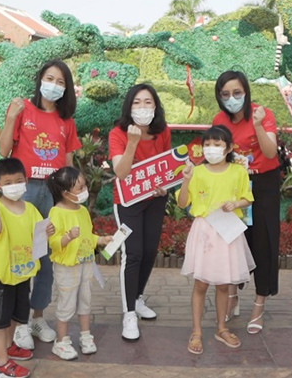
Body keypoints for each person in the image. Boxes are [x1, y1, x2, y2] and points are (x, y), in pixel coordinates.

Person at [0, 59, 82, 349]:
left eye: (60, 82)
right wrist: (11, 118)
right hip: (26, 191)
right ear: (40, 80)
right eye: (49, 78)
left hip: (52, 192)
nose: (54, 85)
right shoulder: (23, 109)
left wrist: (71, 198)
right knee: (22, 254)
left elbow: (69, 164)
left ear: (66, 88)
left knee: (45, 256)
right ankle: (19, 322)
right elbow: (3, 150)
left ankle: (37, 317)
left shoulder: (66, 121)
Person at [212, 71, 280, 335]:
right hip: (233, 184)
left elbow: (270, 152)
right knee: (233, 240)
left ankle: (259, 303)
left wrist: (259, 126)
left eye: (237, 93)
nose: (232, 98)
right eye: (226, 94)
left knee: (263, 242)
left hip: (263, 184)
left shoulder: (263, 114)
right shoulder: (219, 120)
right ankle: (232, 296)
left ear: (246, 92)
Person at [178, 125, 255, 355]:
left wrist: (236, 203)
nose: (211, 148)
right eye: (208, 144)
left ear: (228, 148)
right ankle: (196, 331)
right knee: (201, 283)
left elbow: (248, 198)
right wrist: (185, 180)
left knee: (223, 284)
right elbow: (183, 203)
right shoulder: (197, 172)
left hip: (228, 231)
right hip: (205, 231)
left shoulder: (238, 171)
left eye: (217, 144)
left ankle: (222, 328)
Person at [109, 83, 172, 341]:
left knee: (149, 251)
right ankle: (129, 314)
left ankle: (137, 298)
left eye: (148, 102)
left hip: (154, 199)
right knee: (132, 253)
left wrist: (165, 186)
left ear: (155, 106)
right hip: (128, 202)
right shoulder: (118, 133)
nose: (142, 107)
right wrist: (133, 142)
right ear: (128, 106)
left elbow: (166, 165)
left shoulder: (162, 131)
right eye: (137, 102)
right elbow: (121, 172)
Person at [0, 158, 47, 378]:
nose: (14, 186)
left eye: (18, 180)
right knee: (0, 320)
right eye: (8, 183)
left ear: (26, 180)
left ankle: (9, 347)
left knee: (15, 315)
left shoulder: (31, 209)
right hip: (0, 274)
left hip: (22, 273)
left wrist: (48, 232)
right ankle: (1, 363)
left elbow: (38, 235)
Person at [45, 167, 113, 360]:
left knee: (85, 301)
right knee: (66, 303)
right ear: (65, 193)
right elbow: (54, 243)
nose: (84, 190)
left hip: (86, 264)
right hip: (67, 267)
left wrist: (101, 240)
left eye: (84, 186)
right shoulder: (56, 212)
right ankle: (62, 342)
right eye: (79, 187)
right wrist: (67, 237)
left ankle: (85, 336)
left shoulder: (83, 211)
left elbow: (87, 237)